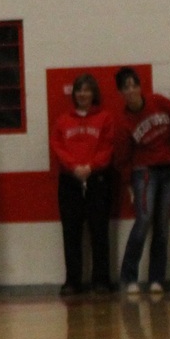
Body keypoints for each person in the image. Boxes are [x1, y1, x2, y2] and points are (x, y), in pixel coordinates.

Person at [115, 68, 170, 297]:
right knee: (144, 219)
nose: (131, 90)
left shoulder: (159, 102)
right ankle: (129, 277)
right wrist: (129, 184)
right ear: (121, 93)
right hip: (144, 172)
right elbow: (122, 157)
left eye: (133, 85)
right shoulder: (124, 122)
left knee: (162, 224)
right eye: (125, 87)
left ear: (140, 86)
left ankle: (157, 278)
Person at [51, 74, 118, 295]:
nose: (83, 94)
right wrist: (74, 167)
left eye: (87, 90)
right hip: (70, 180)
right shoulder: (63, 120)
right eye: (79, 90)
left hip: (97, 179)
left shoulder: (105, 118)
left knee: (99, 231)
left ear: (94, 93)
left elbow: (107, 147)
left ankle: (101, 280)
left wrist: (91, 167)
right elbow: (58, 146)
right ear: (74, 94)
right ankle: (72, 281)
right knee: (71, 232)